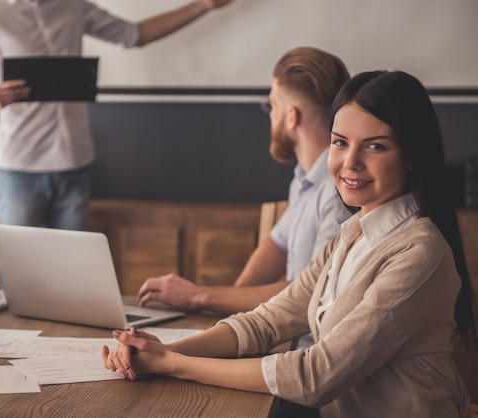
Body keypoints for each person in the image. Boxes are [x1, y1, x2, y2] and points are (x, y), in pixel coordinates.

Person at [102, 71, 477, 417]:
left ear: (412, 155)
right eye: (340, 142)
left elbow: (317, 375)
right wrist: (160, 351)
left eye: (375, 146)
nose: (350, 162)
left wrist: (173, 365)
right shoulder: (351, 234)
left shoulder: (419, 252)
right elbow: (267, 321)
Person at [0, 0, 234, 230]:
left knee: (74, 274)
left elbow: (135, 35)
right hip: (20, 170)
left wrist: (203, 5)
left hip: (75, 164)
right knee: (20, 275)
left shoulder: (73, 6)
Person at [136, 47, 351, 315]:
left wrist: (199, 296)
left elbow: (312, 292)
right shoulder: (304, 180)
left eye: (272, 106)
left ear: (291, 116)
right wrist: (230, 304)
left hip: (305, 352)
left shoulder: (340, 192)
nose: (270, 116)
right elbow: (277, 244)